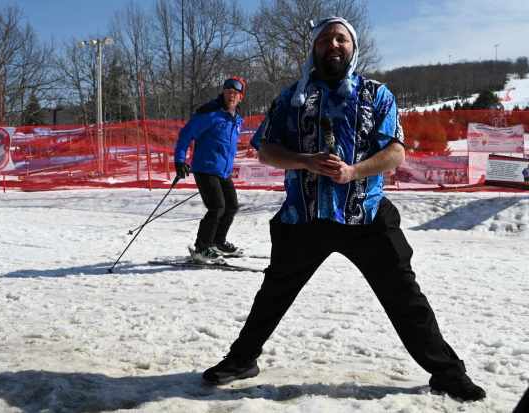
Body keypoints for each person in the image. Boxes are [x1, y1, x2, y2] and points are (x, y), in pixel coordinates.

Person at [202, 17, 486, 402]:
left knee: (404, 295)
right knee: (273, 293)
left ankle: (448, 373)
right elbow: (266, 149)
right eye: (324, 40)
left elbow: (395, 152)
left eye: (341, 39)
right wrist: (305, 161)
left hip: (365, 215)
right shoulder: (291, 97)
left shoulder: (377, 94)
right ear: (314, 49)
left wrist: (353, 171)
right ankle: (241, 359)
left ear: (352, 48)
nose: (333, 45)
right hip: (304, 216)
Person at [174, 77, 246, 263]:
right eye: (228, 91)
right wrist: (180, 160)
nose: (231, 95)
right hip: (205, 168)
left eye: (235, 93)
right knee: (217, 207)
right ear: (223, 93)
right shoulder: (210, 113)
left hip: (223, 171)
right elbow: (186, 134)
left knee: (231, 206)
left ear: (241, 97)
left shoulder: (237, 119)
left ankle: (217, 242)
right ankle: (202, 247)